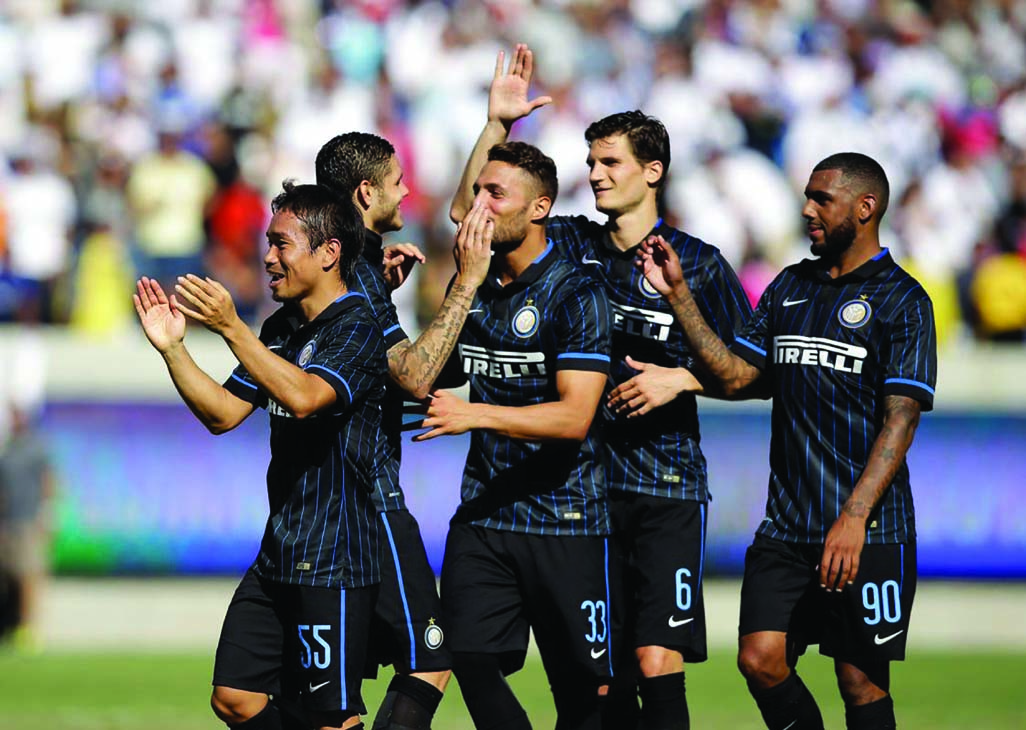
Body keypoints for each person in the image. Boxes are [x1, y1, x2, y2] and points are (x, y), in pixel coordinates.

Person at [451, 45, 753, 729]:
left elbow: (753, 375)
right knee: (600, 680)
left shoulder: (699, 263)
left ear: (653, 171)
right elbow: (473, 214)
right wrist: (497, 125)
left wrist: (683, 377)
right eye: (591, 162)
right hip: (585, 492)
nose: (595, 174)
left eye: (610, 162)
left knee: (655, 658)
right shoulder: (572, 243)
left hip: (665, 487)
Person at [631, 152, 937, 730]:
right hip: (787, 527)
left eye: (822, 199)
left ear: (865, 207)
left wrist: (854, 517)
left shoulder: (904, 300)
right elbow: (736, 376)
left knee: (860, 680)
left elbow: (901, 420)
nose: (807, 210)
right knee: (760, 658)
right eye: (807, 197)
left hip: (870, 529)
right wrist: (679, 297)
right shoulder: (790, 285)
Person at [134, 181, 392, 730]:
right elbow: (223, 413)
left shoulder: (358, 327)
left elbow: (305, 398)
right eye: (268, 243)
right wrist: (174, 349)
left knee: (330, 718)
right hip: (280, 551)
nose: (268, 258)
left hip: (335, 557)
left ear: (329, 252)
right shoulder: (280, 328)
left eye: (281, 244)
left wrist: (231, 327)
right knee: (234, 696)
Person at [417, 140, 613, 730]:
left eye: (495, 194)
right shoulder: (471, 287)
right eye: (477, 191)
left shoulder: (576, 292)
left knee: (583, 692)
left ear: (538, 208)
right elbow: (425, 376)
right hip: (485, 513)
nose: (478, 205)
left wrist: (476, 415)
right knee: (467, 656)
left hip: (566, 519)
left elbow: (574, 418)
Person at [314, 131, 494, 730]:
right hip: (368, 498)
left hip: (324, 502)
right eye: (397, 182)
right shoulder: (360, 276)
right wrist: (467, 281)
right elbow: (415, 376)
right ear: (367, 192)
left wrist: (494, 127)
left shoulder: (341, 263)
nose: (407, 191)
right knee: (430, 659)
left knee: (332, 699)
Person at [0, 405, 55, 652]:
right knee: (8, 576)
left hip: (29, 521)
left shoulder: (37, 449)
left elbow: (49, 482)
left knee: (28, 575)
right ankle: (9, 626)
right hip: (7, 523)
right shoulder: (7, 450)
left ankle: (27, 628)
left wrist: (47, 514)